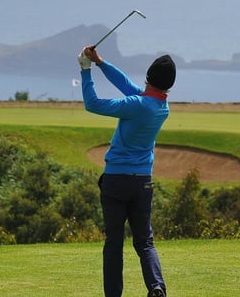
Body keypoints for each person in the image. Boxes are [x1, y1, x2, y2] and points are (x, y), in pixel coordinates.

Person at [78, 46, 175, 297]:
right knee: (145, 242)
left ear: (148, 78)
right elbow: (127, 86)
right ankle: (156, 287)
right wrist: (101, 62)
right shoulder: (160, 107)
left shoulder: (137, 104)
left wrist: (85, 70)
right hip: (143, 183)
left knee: (114, 243)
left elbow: (93, 104)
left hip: (116, 181)